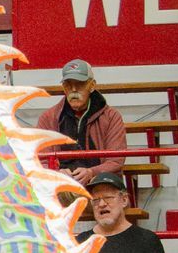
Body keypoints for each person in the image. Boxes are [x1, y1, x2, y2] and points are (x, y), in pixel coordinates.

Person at [35, 59, 127, 187]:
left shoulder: (112, 117)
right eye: (68, 84)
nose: (73, 89)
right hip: (61, 185)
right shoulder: (48, 118)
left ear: (92, 85)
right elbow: (41, 160)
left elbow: (116, 160)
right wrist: (57, 173)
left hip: (99, 183)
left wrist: (92, 172)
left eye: (80, 84)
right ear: (63, 87)